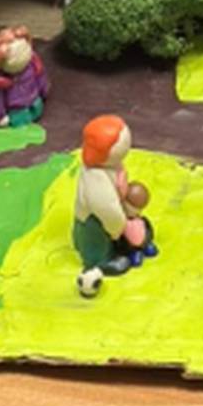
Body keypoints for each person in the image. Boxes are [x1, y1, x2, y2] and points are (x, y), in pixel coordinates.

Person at [73, 114, 156, 295]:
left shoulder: (111, 166)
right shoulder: (95, 178)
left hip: (116, 215)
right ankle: (100, 259)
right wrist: (119, 227)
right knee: (96, 236)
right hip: (95, 222)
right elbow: (106, 209)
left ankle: (121, 244)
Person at [0, 24, 49, 128]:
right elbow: (42, 82)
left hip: (22, 111)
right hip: (33, 106)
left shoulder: (1, 81)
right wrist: (44, 92)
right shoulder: (32, 65)